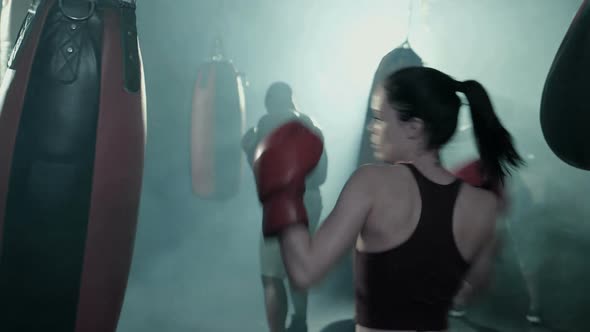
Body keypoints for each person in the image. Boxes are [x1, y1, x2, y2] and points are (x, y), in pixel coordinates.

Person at [252, 67, 524, 331]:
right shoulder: (486, 206)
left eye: (380, 118)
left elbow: (305, 272)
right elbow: (468, 292)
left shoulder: (371, 183)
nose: (371, 128)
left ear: (414, 128)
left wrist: (282, 194)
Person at [242, 82, 327, 332]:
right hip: (311, 200)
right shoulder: (313, 125)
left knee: (270, 274)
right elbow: (321, 175)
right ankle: (300, 320)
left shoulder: (267, 123)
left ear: (270, 102)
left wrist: (248, 148)